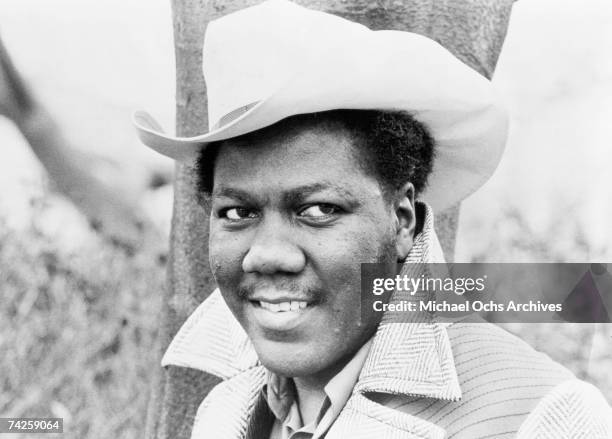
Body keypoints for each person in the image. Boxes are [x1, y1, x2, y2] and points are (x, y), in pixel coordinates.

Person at [134, 1, 612, 437]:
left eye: (319, 210)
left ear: (401, 220)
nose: (267, 255)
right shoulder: (225, 409)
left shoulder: (536, 415)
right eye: (238, 212)